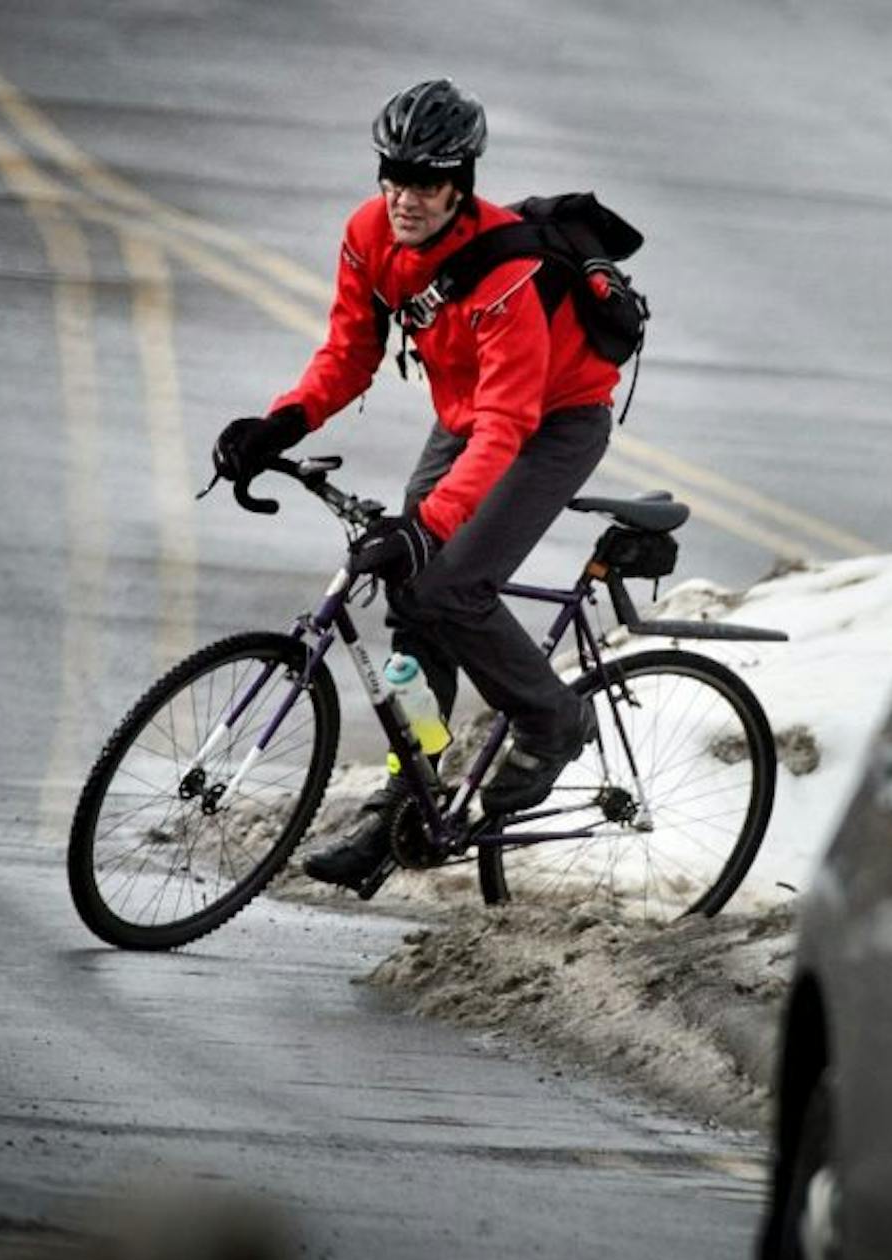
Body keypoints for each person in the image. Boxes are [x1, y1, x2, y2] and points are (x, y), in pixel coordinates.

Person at [211, 77, 617, 891]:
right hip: (470, 417)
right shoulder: (369, 233)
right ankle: (414, 792)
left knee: (451, 587)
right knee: (410, 593)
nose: (404, 197)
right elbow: (349, 350)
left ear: (461, 184)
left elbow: (507, 425)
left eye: (425, 182)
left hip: (551, 422)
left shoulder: (506, 273)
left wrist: (425, 526)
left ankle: (552, 718)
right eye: (391, 175)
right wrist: (281, 423)